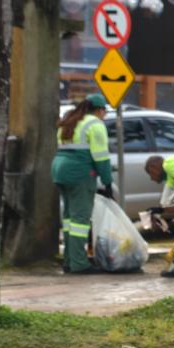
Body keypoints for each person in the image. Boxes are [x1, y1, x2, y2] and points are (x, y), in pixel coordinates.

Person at [52, 93, 114, 274]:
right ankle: (79, 264)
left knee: (69, 219)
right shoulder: (95, 124)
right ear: (99, 110)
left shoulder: (70, 121)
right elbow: (101, 157)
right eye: (105, 111)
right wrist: (108, 182)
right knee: (80, 221)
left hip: (59, 171)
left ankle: (69, 261)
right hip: (79, 173)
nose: (105, 115)